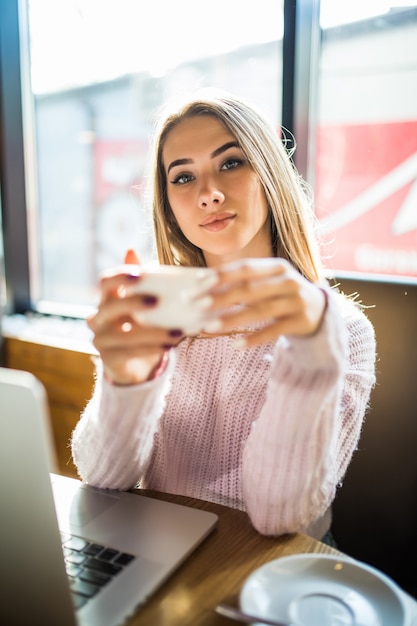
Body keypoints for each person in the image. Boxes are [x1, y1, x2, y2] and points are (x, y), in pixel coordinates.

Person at [71, 89, 376, 541]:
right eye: (183, 177)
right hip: (166, 549)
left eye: (230, 163)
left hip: (270, 571)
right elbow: (103, 478)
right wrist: (128, 383)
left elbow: (279, 517)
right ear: (169, 206)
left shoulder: (340, 330)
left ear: (269, 175)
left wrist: (311, 356)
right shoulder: (160, 312)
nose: (209, 194)